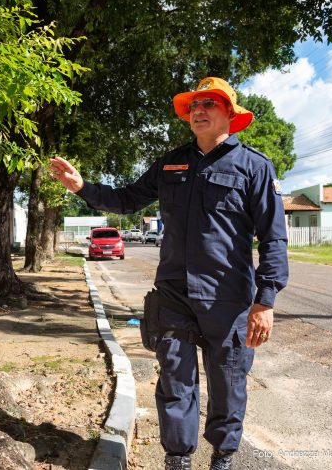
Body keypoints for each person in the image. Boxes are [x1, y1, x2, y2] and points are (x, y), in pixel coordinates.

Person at [49, 77, 288, 470]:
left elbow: (273, 238)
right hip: (174, 294)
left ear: (230, 112)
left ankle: (223, 458)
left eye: (209, 103)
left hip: (228, 300)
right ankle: (178, 460)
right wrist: (82, 187)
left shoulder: (254, 167)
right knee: (175, 383)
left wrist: (266, 299)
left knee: (228, 384)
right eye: (194, 105)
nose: (198, 110)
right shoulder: (171, 162)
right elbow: (127, 198)